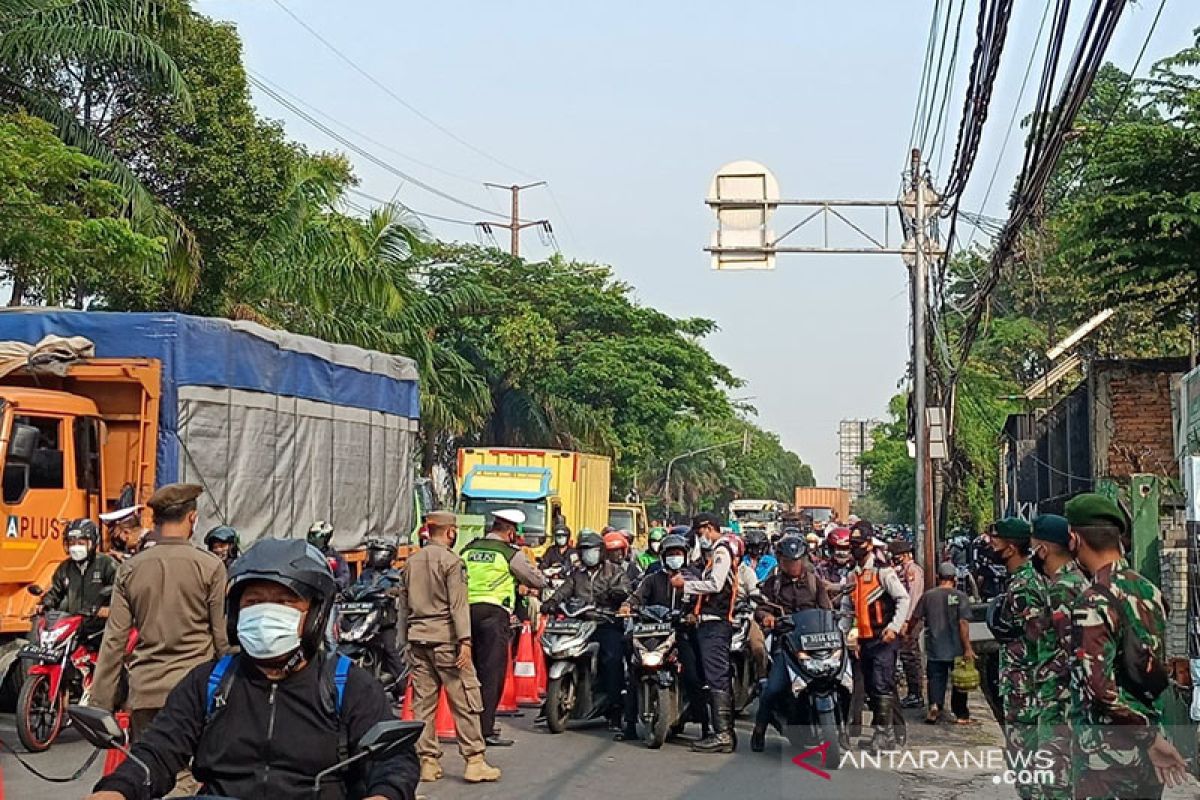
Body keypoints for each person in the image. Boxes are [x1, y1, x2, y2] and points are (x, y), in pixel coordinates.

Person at [87, 537, 419, 800]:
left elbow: (395, 761)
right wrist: (116, 790)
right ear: (235, 614)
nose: (266, 612)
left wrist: (384, 795)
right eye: (253, 602)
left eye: (285, 602)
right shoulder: (210, 681)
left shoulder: (349, 685)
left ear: (316, 615)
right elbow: (157, 751)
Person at [1064, 494, 1189, 799]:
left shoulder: (1092, 601)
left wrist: (1147, 739)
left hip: (1107, 757)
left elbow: (1100, 689)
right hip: (1149, 752)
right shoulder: (1151, 592)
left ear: (1074, 539)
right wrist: (1152, 736)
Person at [91, 484, 229, 747]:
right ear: (192, 518)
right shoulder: (211, 567)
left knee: (150, 771)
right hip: (195, 692)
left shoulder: (130, 568)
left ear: (155, 521)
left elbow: (114, 642)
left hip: (145, 693)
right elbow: (221, 639)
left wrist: (101, 704)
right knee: (188, 775)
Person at [397, 511, 500, 784]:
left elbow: (402, 607)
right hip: (447, 641)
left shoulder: (411, 561)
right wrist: (465, 642)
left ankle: (427, 762)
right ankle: (474, 760)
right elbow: (458, 606)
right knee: (465, 699)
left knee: (423, 704)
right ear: (450, 532)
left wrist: (404, 641)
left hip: (418, 639)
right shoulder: (452, 562)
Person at [461, 509, 545, 747]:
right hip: (493, 614)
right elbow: (536, 580)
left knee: (469, 672)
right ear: (510, 532)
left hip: (465, 614)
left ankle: (468, 725)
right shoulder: (509, 553)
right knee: (491, 674)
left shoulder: (470, 548)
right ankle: (484, 730)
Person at [749, 535, 832, 751]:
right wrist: (766, 617)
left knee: (841, 679)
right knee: (773, 688)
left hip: (815, 645)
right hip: (785, 645)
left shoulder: (815, 583)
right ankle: (759, 730)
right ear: (781, 561)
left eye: (797, 561)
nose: (793, 565)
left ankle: (842, 730)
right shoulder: (773, 584)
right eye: (788, 561)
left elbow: (827, 611)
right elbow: (761, 607)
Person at [985, 516, 1046, 798]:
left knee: (1027, 762)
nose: (989, 544)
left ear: (1010, 547)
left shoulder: (1024, 586)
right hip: (1019, 684)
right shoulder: (1020, 581)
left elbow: (1037, 639)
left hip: (1026, 688)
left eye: (995, 539)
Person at [671, 511, 742, 753]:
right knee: (710, 677)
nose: (700, 538)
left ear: (709, 528)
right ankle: (721, 732)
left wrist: (686, 585)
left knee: (716, 678)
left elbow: (716, 585)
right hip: (707, 623)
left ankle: (723, 734)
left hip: (717, 624)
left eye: (700, 532)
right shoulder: (711, 554)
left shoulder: (721, 551)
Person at [1027, 513, 1087, 800]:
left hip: (1060, 698)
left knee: (1055, 779)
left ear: (1044, 549)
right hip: (1062, 695)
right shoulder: (1075, 581)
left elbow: (1070, 649)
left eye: (1033, 545)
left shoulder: (1063, 588)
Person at [546, 531, 632, 731]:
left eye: (592, 550)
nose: (588, 554)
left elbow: (625, 590)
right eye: (584, 550)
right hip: (579, 624)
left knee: (611, 659)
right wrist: (552, 601)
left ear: (601, 551)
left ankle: (615, 709)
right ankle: (556, 696)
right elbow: (564, 591)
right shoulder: (577, 574)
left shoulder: (615, 571)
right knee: (553, 648)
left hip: (606, 623)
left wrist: (616, 596)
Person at [839, 525, 909, 751]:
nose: (854, 549)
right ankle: (887, 734)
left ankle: (884, 734)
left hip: (883, 638)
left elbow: (903, 598)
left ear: (869, 544)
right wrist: (846, 635)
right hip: (864, 639)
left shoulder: (883, 572)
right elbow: (847, 608)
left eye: (858, 544)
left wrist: (894, 627)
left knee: (881, 684)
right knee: (870, 686)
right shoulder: (853, 574)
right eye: (852, 544)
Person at [905, 562, 974, 725]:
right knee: (959, 681)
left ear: (938, 578)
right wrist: (968, 648)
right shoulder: (961, 597)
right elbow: (963, 623)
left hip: (935, 647)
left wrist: (908, 633)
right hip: (956, 647)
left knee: (935, 678)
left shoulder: (928, 596)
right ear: (954, 579)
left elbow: (915, 617)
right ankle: (961, 714)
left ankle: (935, 706)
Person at [349, 538, 407, 686]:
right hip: (363, 618)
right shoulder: (366, 574)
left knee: (390, 650)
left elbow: (401, 590)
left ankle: (403, 688)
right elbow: (355, 589)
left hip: (385, 621)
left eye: (377, 553)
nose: (374, 556)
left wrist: (391, 592)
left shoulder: (394, 575)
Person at [36, 519, 117, 623]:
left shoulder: (106, 564)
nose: (75, 547)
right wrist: (45, 603)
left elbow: (120, 590)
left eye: (81, 543)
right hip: (73, 625)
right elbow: (55, 592)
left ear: (92, 543)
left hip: (100, 626)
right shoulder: (65, 567)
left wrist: (107, 609)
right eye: (72, 543)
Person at [888, 538, 925, 709]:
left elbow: (914, 597)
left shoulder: (912, 571)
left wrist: (907, 620)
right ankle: (913, 692)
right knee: (905, 656)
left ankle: (916, 694)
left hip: (911, 620)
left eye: (896, 556)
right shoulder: (902, 570)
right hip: (905, 619)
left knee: (910, 656)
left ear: (903, 555)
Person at [816, 526, 854, 606]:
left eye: (845, 549)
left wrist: (833, 587)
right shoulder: (822, 568)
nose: (841, 553)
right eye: (838, 549)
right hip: (827, 611)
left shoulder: (857, 568)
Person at [309, 520, 351, 591]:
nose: (312, 539)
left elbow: (344, 577)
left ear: (326, 538)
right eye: (311, 535)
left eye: (315, 535)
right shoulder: (306, 553)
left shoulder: (335, 557)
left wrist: (333, 583)